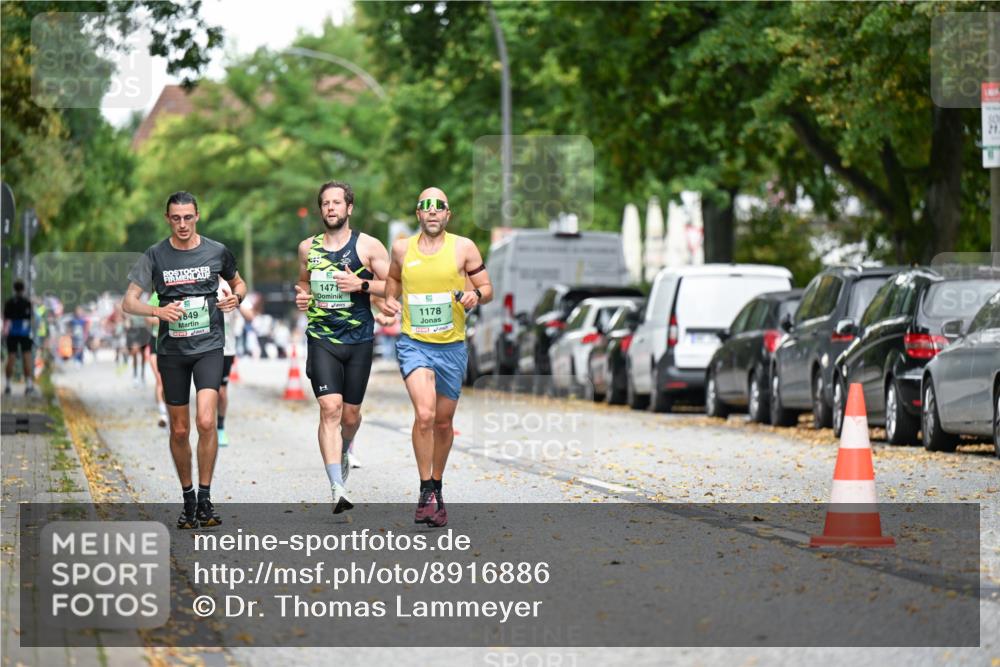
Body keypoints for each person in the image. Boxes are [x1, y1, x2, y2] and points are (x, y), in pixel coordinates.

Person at [122, 191, 246, 529]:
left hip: (209, 347)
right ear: (168, 219)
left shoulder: (217, 251)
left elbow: (239, 284)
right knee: (179, 429)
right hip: (172, 353)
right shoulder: (155, 256)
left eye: (187, 217)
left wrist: (235, 298)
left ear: (197, 216)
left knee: (206, 421)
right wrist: (157, 310)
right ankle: (188, 498)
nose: (182, 224)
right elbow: (129, 302)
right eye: (175, 218)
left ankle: (205, 499)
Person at [381, 187, 492, 527]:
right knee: (425, 413)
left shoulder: (464, 248)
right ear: (418, 214)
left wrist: (475, 295)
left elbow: (487, 289)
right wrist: (387, 301)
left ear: (448, 214)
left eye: (438, 207)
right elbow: (393, 280)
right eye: (425, 207)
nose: (432, 212)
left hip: (452, 346)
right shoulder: (402, 248)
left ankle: (437, 487)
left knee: (443, 422)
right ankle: (425, 489)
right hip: (414, 343)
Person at [294, 181, 391, 514]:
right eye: (325, 203)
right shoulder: (308, 248)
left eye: (337, 202)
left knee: (350, 416)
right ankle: (337, 487)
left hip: (360, 340)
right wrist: (302, 297)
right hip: (322, 338)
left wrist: (361, 284)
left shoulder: (368, 246)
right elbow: (304, 284)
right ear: (320, 209)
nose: (331, 208)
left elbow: (395, 286)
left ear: (350, 208)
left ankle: (346, 447)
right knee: (330, 408)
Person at [216, 279, 246, 447]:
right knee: (209, 390)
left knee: (221, 392)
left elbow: (250, 316)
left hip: (227, 348)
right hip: (206, 348)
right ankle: (207, 425)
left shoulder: (230, 286)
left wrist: (236, 301)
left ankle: (220, 427)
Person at [3, 280, 35, 395]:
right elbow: (31, 319)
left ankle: (7, 385)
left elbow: (6, 319)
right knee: (27, 358)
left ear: (14, 289)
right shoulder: (27, 302)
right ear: (23, 289)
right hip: (25, 333)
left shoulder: (9, 302)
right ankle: (29, 385)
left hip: (12, 333)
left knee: (10, 358)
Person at [146, 292, 168, 428]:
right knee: (159, 379)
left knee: (168, 380)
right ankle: (163, 414)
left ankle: (169, 408)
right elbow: (148, 318)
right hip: (155, 342)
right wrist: (165, 318)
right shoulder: (156, 295)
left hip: (170, 344)